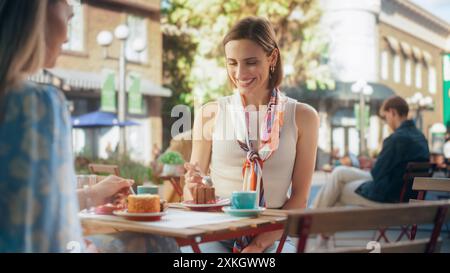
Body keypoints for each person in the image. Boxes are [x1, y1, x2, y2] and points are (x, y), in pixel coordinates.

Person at [0, 0, 178, 252]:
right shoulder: (36, 104)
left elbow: (25, 206)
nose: (72, 11)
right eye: (66, 2)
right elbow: (44, 236)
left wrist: (91, 195)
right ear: (37, 10)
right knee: (158, 244)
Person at [184, 17, 320, 253]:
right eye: (232, 63)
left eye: (250, 62)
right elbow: (190, 192)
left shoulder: (304, 117)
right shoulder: (209, 113)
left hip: (272, 234)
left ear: (272, 58)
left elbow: (299, 199)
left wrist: (258, 245)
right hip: (215, 231)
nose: (240, 73)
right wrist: (193, 187)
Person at [312, 96, 430, 210]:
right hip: (407, 194)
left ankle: (309, 219)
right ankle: (312, 220)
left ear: (392, 112)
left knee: (339, 187)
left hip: (389, 196)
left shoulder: (395, 139)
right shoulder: (420, 137)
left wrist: (371, 164)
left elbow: (376, 174)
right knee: (339, 174)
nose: (387, 121)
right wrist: (375, 162)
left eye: (386, 117)